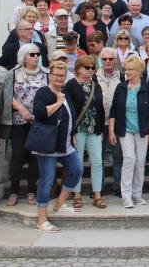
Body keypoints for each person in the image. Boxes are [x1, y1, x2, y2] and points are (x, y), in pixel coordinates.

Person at [31, 61, 83, 232]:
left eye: (62, 75)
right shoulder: (43, 92)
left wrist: (72, 133)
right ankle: (41, 220)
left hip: (65, 143)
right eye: (56, 75)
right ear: (50, 75)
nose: (60, 78)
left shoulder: (64, 94)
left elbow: (71, 116)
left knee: (76, 169)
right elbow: (38, 114)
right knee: (46, 181)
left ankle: (59, 204)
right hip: (47, 145)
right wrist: (58, 102)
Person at [1, 44, 48, 207]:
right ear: (24, 57)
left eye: (38, 54)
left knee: (35, 157)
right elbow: (7, 95)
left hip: (38, 123)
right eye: (32, 54)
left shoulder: (45, 73)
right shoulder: (13, 73)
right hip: (19, 122)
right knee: (18, 156)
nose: (36, 57)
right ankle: (14, 191)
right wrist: (21, 109)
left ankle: (31, 192)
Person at [109, 55, 149, 208]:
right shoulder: (121, 87)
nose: (127, 72)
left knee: (140, 162)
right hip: (125, 130)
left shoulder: (147, 87)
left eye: (131, 69)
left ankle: (137, 195)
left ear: (139, 71)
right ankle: (127, 196)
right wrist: (111, 131)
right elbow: (113, 112)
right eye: (126, 69)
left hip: (143, 130)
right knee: (129, 159)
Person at [64, 55, 107, 210]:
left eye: (92, 68)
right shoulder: (70, 85)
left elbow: (100, 109)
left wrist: (101, 129)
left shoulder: (96, 85)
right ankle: (77, 194)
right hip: (78, 129)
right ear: (78, 68)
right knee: (78, 163)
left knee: (97, 161)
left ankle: (97, 195)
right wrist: (71, 132)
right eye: (86, 67)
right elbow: (68, 110)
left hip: (94, 129)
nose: (90, 70)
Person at [97, 47, 123, 197]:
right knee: (98, 156)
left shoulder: (122, 76)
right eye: (104, 59)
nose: (107, 61)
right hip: (99, 123)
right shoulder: (94, 77)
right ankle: (98, 186)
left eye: (110, 59)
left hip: (117, 122)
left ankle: (118, 186)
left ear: (115, 60)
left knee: (118, 156)